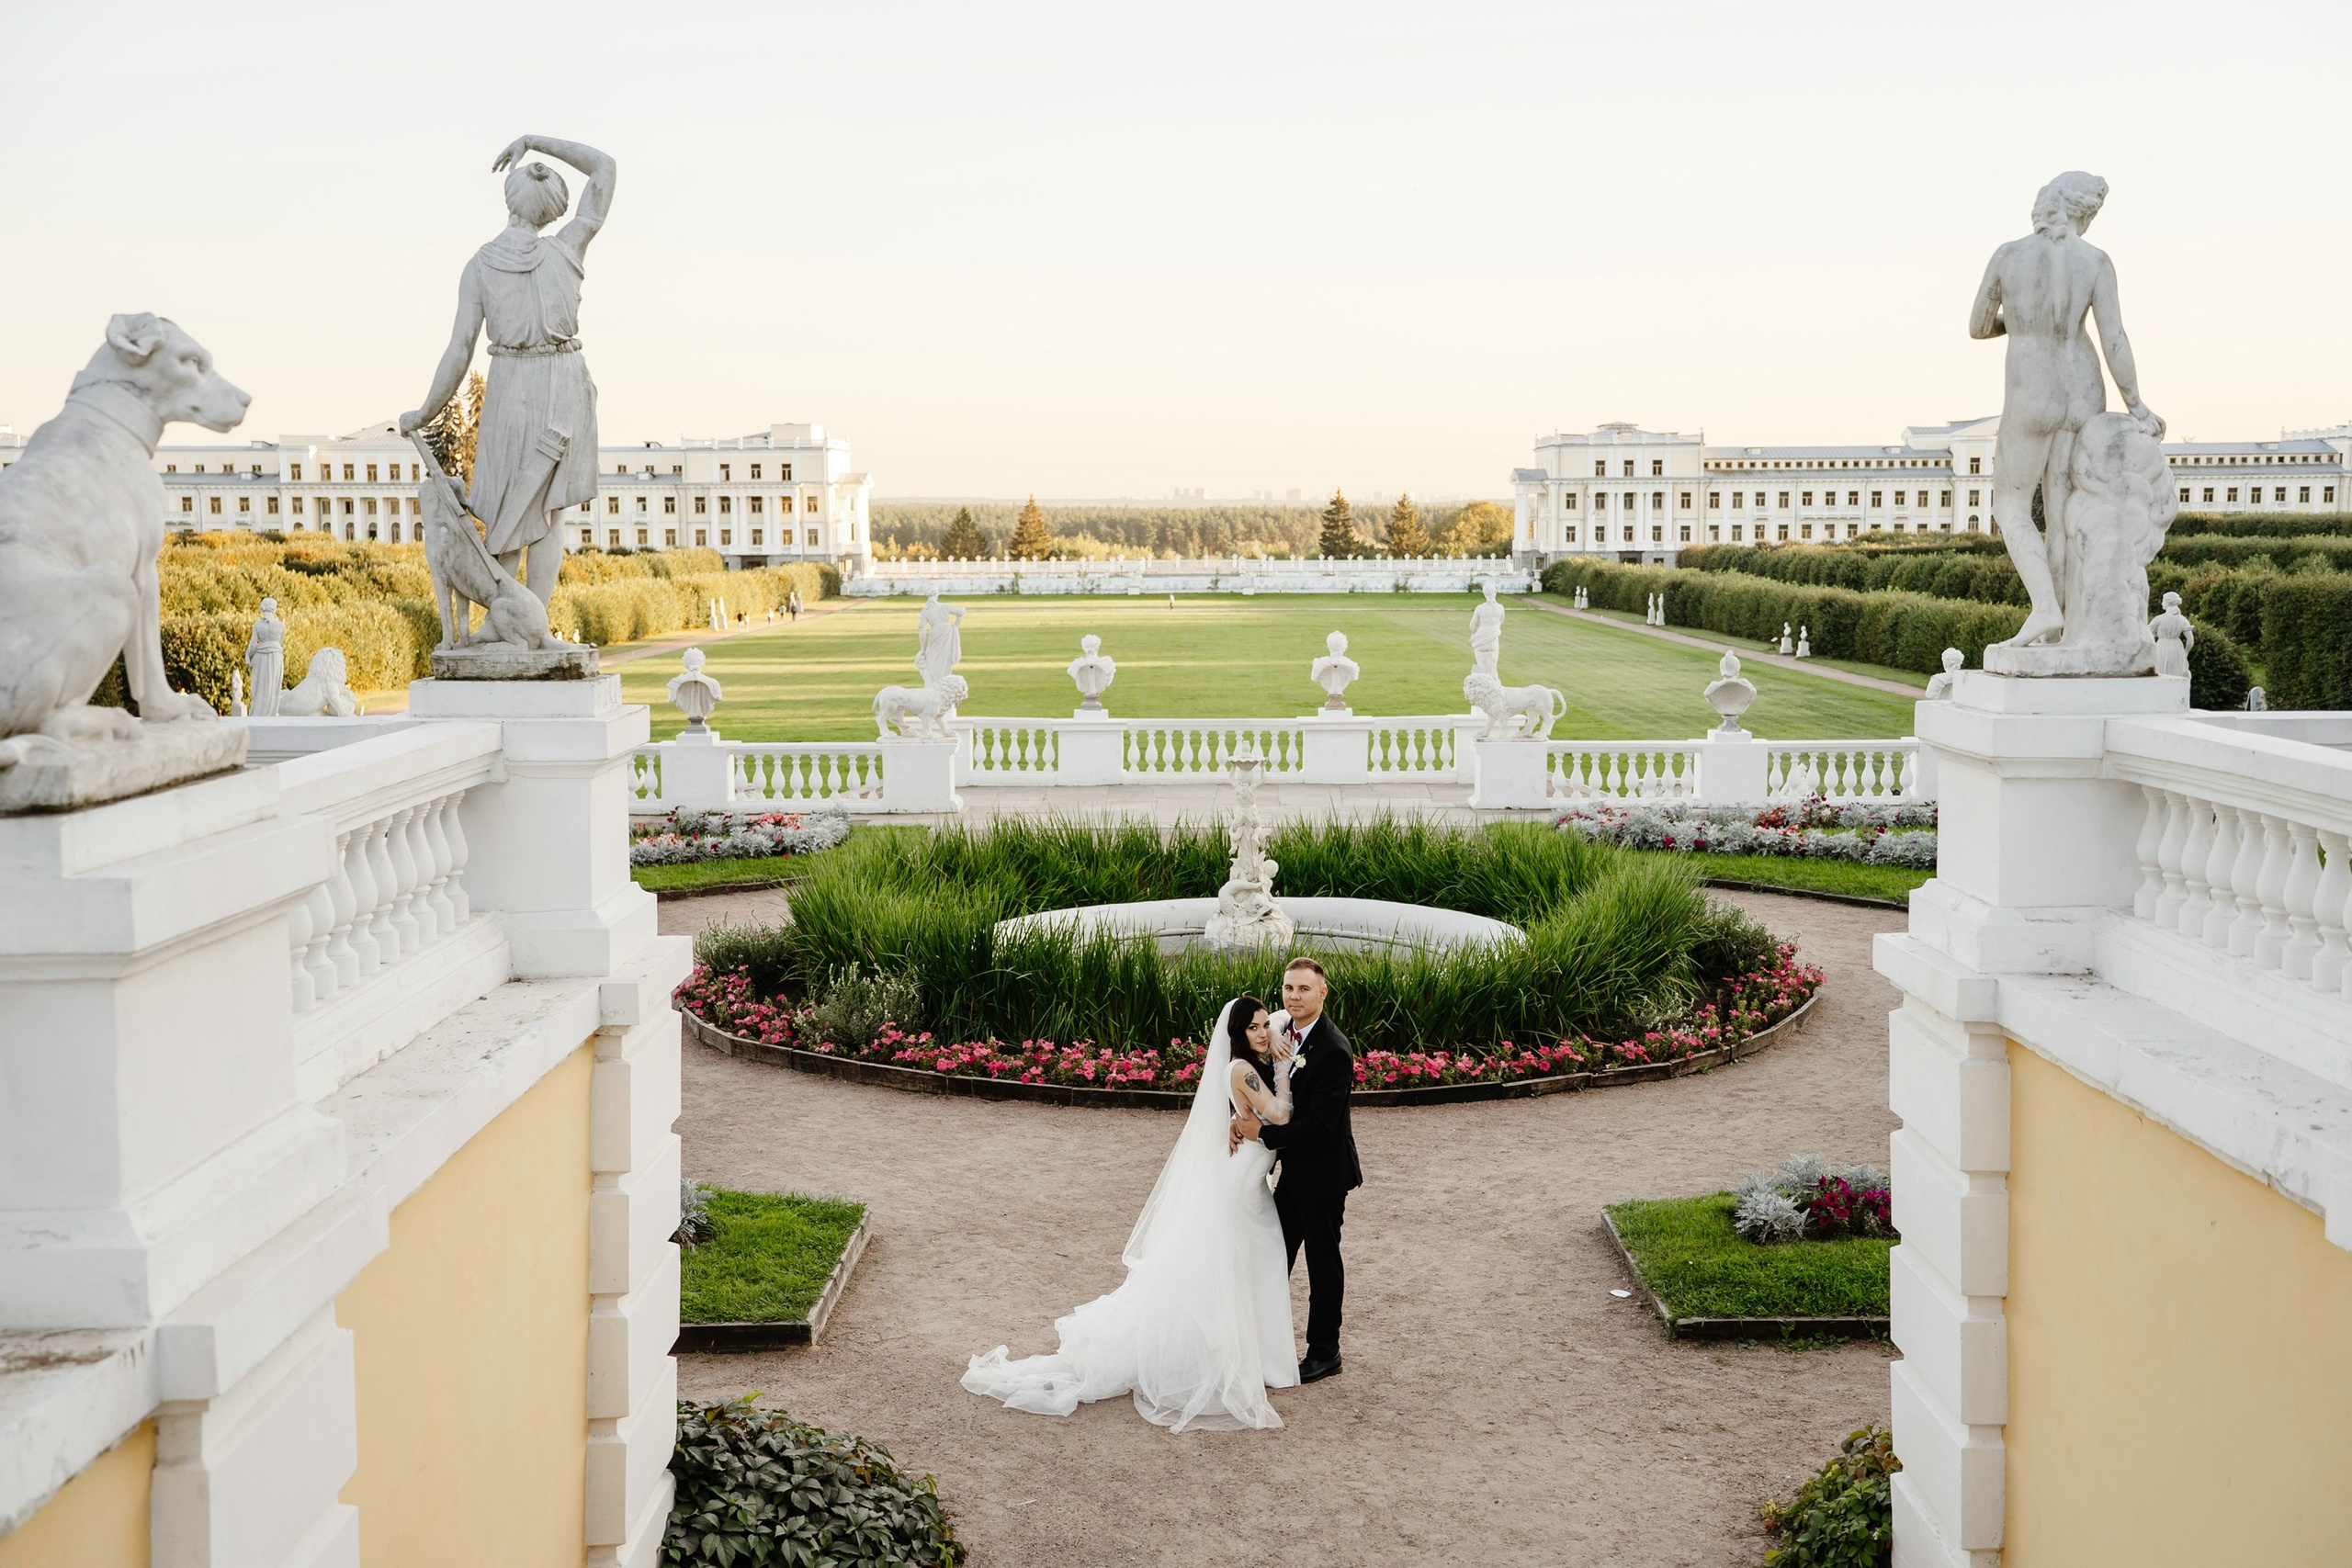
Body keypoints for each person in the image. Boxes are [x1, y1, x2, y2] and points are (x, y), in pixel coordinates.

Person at [963, 996, 1302, 1430]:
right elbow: (1279, 1113)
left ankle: (1260, 1358)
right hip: (1241, 1183)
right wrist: (1283, 1066)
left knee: (1252, 1262)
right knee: (1241, 1262)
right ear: (1237, 1033)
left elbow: (1264, 1074)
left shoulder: (1244, 1063)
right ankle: (1234, 1359)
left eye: (1263, 1026)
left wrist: (1275, 1035)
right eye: (1253, 1027)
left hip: (1247, 1173)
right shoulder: (1244, 1069)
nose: (1261, 1033)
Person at [401, 134, 617, 607]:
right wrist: (536, 141)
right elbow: (604, 167)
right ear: (553, 210)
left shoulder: (479, 267)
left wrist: (425, 412)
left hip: (512, 383)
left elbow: (460, 350)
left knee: (506, 505)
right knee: (549, 508)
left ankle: (506, 621)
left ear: (510, 200)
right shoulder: (568, 248)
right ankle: (530, 625)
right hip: (565, 379)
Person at [1970, 172, 2161, 649]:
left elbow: (1977, 326)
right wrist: (2136, 406)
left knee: (2010, 504)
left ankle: (2044, 609)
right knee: (2064, 513)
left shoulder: (2009, 255)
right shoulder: (2095, 260)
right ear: (2083, 213)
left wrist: (2016, 322)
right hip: (2083, 385)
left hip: (2032, 385)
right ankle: (2065, 630)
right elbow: (2113, 337)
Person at [1231, 956, 1362, 1383]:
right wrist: (1238, 1118)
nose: (1294, 996)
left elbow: (1322, 1125)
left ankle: (1325, 1352)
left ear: (1322, 993)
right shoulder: (1281, 1027)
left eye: (1304, 989)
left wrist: (1261, 1136)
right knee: (1273, 1255)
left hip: (1324, 1175)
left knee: (1323, 1265)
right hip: (1292, 1174)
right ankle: (1259, 1344)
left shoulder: (1334, 1050)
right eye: (1289, 988)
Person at [915, 592, 964, 687]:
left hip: (935, 633)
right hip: (947, 632)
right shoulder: (944, 606)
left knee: (932, 660)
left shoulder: (925, 611)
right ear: (937, 595)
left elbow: (923, 633)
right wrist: (954, 628)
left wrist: (922, 648)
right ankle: (942, 685)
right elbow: (961, 612)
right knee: (945, 660)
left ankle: (934, 685)